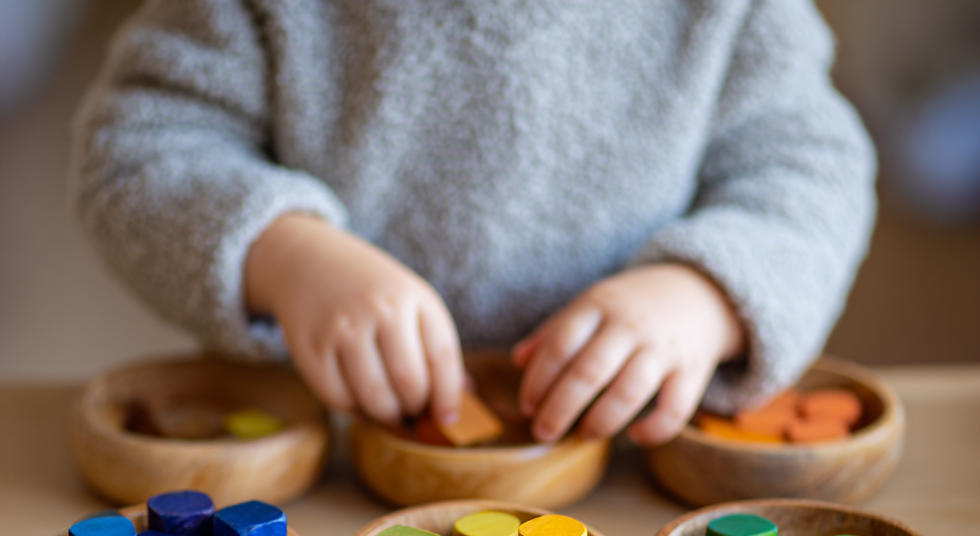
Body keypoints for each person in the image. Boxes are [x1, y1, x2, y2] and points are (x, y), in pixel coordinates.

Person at [71, 0, 875, 445]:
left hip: (633, 468)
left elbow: (812, 170)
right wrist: (287, 258)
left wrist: (705, 295)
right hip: (315, 464)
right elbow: (135, 153)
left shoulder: (733, 14)